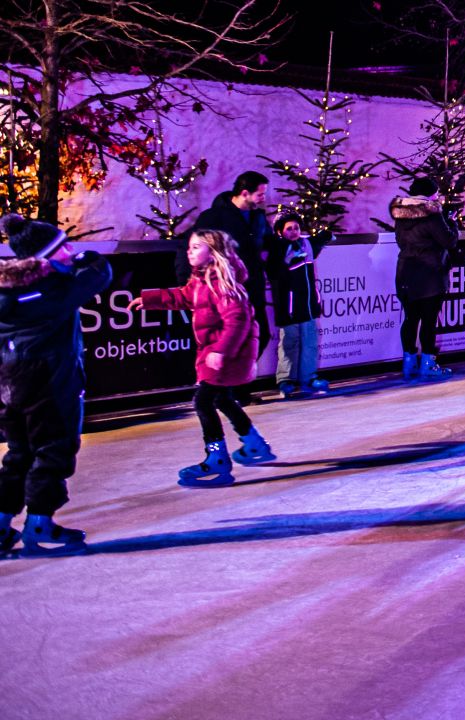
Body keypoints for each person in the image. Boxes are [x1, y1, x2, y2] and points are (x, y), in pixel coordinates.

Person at [132, 231, 276, 487]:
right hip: (219, 354)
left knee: (203, 401)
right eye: (189, 247)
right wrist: (150, 299)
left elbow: (237, 322)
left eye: (196, 247)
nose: (189, 252)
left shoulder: (222, 284)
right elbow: (182, 297)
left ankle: (217, 459)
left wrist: (221, 351)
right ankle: (254, 444)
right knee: (223, 399)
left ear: (213, 252)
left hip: (228, 354)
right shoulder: (200, 280)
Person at [0, 215, 109, 555]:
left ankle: (1, 523)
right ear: (44, 257)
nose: (71, 251)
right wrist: (78, 260)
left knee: (20, 453)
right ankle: (40, 524)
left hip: (9, 382)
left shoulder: (9, 289)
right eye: (63, 247)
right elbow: (99, 272)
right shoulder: (51, 288)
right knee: (53, 449)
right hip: (48, 380)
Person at [180, 171, 272, 359]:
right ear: (245, 193)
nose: (263, 199)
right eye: (260, 194)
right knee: (231, 339)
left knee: (260, 336)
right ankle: (227, 386)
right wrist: (185, 280)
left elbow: (269, 243)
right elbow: (190, 246)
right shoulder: (215, 217)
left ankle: (238, 384)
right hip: (227, 289)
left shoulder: (258, 218)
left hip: (253, 287)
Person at [391, 177, 459, 381]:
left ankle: (409, 362)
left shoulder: (401, 216)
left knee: (411, 319)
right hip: (430, 273)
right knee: (429, 321)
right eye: (436, 193)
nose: (438, 197)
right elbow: (448, 240)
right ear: (430, 194)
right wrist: (453, 223)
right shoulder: (432, 214)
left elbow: (400, 240)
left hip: (406, 272)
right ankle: (428, 364)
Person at [264, 215, 333, 400]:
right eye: (289, 229)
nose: (294, 232)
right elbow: (272, 272)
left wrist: (327, 234)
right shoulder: (278, 248)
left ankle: (308, 377)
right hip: (289, 306)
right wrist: (287, 260)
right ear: (280, 231)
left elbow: (320, 239)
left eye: (296, 228)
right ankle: (286, 379)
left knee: (309, 341)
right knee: (289, 342)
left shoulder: (306, 245)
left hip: (308, 303)